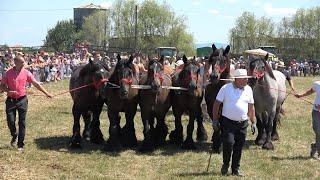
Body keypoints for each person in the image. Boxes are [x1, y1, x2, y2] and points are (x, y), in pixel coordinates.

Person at [0, 55, 53, 151]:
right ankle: (14, 135)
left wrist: (46, 93)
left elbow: (36, 83)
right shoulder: (7, 73)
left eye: (24, 62)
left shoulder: (26, 73)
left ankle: (20, 144)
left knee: (22, 122)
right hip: (11, 101)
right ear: (16, 62)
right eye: (22, 62)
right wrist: (8, 91)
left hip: (22, 100)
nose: (24, 63)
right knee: (10, 121)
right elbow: (1, 86)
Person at [212, 69, 257, 176]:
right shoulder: (225, 88)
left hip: (243, 123)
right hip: (228, 122)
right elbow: (216, 104)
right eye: (245, 78)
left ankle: (235, 169)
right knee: (228, 143)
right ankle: (225, 164)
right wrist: (215, 120)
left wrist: (253, 121)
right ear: (237, 79)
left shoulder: (249, 89)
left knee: (239, 146)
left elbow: (251, 107)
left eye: (247, 78)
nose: (247, 80)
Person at [294, 81, 320, 160]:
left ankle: (315, 146)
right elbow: (311, 91)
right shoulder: (317, 84)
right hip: (316, 112)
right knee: (318, 132)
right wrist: (301, 95)